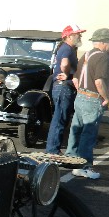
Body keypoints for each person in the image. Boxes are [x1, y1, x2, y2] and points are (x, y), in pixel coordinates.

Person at [65, 28, 109, 179]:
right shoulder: (102, 57)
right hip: (92, 98)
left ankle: (71, 159)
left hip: (80, 96)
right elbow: (99, 81)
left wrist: (82, 92)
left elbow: (75, 79)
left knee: (76, 130)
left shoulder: (87, 54)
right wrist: (106, 98)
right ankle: (84, 166)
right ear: (103, 42)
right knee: (89, 133)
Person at [45, 24, 86, 154]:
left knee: (59, 118)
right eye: (77, 34)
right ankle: (52, 151)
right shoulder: (67, 49)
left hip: (61, 87)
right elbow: (64, 64)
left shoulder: (65, 48)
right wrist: (67, 74)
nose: (80, 36)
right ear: (68, 36)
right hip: (64, 88)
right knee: (60, 119)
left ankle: (52, 149)